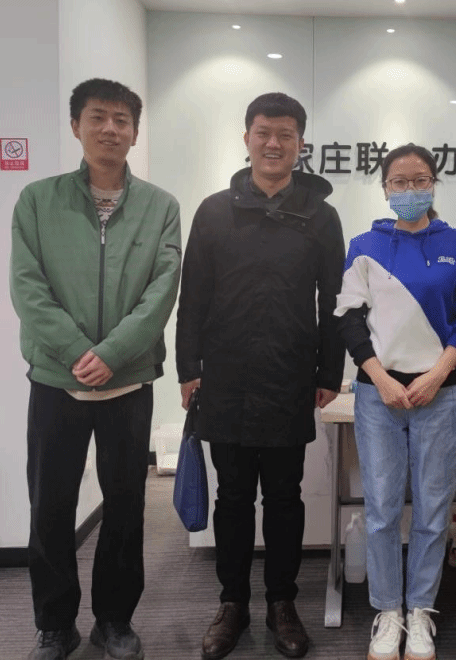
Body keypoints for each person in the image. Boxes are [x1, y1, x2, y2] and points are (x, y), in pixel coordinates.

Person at [10, 78, 182, 660]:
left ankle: (114, 620)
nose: (110, 128)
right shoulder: (38, 200)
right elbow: (27, 287)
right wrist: (76, 352)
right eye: (97, 117)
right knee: (50, 507)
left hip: (128, 381)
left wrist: (111, 354)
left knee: (127, 507)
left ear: (134, 131)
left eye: (121, 120)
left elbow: (162, 291)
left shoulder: (160, 206)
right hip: (55, 381)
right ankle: (54, 624)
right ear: (75, 126)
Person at [175, 92, 346, 660]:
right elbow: (193, 297)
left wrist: (329, 370)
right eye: (264, 132)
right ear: (246, 138)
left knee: (284, 498)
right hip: (223, 378)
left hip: (289, 377)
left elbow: (334, 301)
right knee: (231, 499)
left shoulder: (320, 216)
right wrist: (188, 368)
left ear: (300, 144)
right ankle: (232, 603)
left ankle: (281, 603)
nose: (274, 144)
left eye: (286, 135)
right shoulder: (213, 211)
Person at [335, 144, 456, 660]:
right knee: (380, 508)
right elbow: (348, 318)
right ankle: (387, 610)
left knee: (432, 507)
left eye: (420, 180)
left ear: (433, 183)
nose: (409, 190)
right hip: (378, 394)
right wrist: (378, 378)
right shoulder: (364, 245)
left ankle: (420, 609)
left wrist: (438, 374)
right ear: (385, 188)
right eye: (399, 182)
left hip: (438, 394)